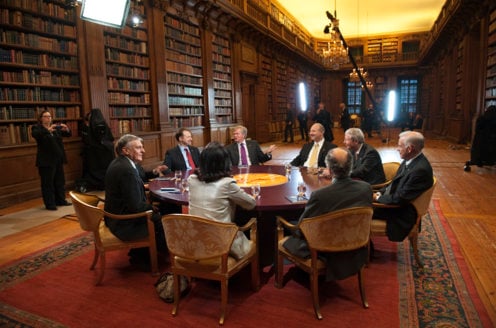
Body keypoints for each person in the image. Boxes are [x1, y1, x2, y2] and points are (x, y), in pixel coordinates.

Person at [283, 147, 373, 281]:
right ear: (351, 166)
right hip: (355, 246)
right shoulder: (366, 188)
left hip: (325, 250)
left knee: (287, 224)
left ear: (329, 169)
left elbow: (302, 227)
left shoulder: (321, 195)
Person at [104, 134, 167, 267]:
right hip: (123, 223)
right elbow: (135, 207)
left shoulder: (122, 163)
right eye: (138, 147)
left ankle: (147, 252)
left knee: (159, 210)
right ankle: (159, 253)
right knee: (161, 215)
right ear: (125, 151)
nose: (143, 150)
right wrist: (154, 209)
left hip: (116, 216)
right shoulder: (126, 170)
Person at [188, 141, 257, 259]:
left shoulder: (192, 179)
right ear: (225, 162)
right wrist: (253, 197)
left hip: (195, 240)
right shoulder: (227, 183)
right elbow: (250, 204)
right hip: (221, 243)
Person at [373, 131, 433, 242]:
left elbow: (399, 199)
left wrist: (377, 198)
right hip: (396, 203)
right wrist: (380, 192)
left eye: (400, 146)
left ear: (410, 149)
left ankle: (359, 248)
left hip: (400, 213)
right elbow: (394, 182)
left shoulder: (420, 170)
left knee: (358, 211)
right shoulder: (411, 160)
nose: (397, 148)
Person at [31, 110, 72, 210]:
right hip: (46, 160)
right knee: (48, 183)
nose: (48, 118)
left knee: (59, 181)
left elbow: (68, 135)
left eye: (49, 116)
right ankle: (50, 204)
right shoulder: (37, 128)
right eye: (45, 116)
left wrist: (66, 129)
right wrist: (48, 130)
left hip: (58, 159)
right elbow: (37, 135)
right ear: (41, 118)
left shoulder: (55, 128)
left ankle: (61, 200)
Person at [80, 108, 115, 190]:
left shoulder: (93, 126)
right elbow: (111, 138)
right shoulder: (104, 124)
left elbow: (89, 140)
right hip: (107, 152)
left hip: (96, 153)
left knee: (96, 171)